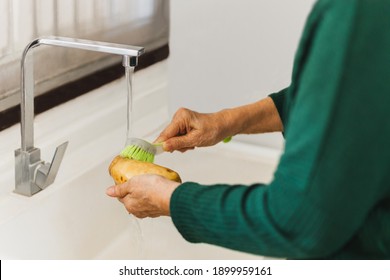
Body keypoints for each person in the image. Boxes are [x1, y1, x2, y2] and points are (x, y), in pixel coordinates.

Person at [106, 0, 390, 259]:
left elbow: (295, 220)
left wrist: (170, 200)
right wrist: (226, 121)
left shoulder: (358, 12)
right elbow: (342, 101)